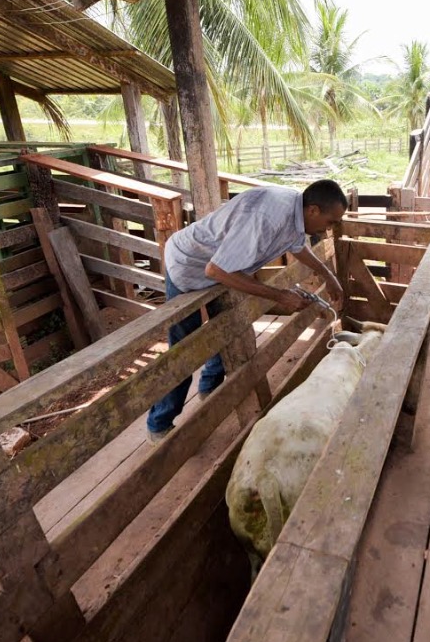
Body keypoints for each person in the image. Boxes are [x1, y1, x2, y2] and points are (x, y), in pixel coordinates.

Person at [146, 178, 348, 444]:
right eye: (330, 221)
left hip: (225, 269)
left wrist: (327, 275)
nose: (329, 228)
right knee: (185, 349)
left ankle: (210, 392)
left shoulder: (295, 210)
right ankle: (159, 423)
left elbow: (297, 246)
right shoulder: (267, 219)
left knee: (228, 331)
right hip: (190, 266)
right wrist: (279, 296)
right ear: (313, 210)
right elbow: (215, 270)